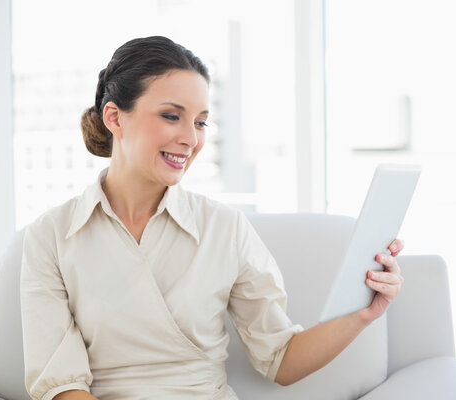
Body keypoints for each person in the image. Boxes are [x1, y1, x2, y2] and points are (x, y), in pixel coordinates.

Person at [20, 36, 404, 400]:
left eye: (201, 122)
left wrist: (362, 314)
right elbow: (61, 387)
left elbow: (280, 359)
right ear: (115, 118)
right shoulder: (51, 236)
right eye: (172, 116)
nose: (191, 138)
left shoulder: (225, 228)